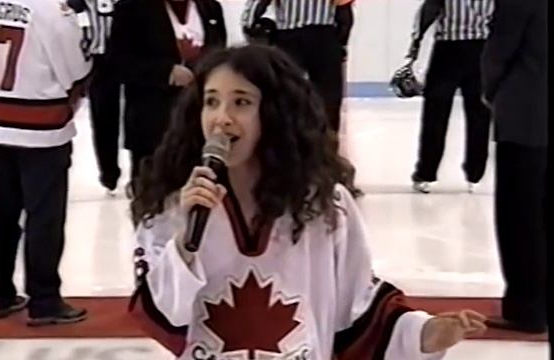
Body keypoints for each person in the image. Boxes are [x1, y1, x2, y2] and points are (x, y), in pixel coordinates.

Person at [126, 45, 487, 359]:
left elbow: (359, 311)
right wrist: (186, 245)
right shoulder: (173, 209)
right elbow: (161, 319)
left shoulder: (326, 206)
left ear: (274, 114)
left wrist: (425, 334)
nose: (222, 117)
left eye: (241, 102)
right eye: (211, 101)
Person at [0, 0, 90, 325]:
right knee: (44, 219)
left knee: (4, 215)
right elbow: (75, 69)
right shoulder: (52, 11)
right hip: (41, 129)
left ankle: (1, 292)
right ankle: (45, 299)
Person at [481, 0, 548, 334]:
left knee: (520, 218)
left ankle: (527, 307)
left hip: (527, 118)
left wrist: (491, 92)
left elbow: (499, 52)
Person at [108, 0, 226, 181]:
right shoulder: (131, 8)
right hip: (152, 124)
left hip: (199, 124)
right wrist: (166, 72)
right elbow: (117, 63)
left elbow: (221, 53)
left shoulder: (210, 7)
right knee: (152, 196)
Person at [406, 0, 493, 194]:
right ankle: (475, 174)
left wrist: (415, 44)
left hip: (448, 49)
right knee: (479, 113)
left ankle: (426, 173)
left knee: (435, 113)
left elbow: (429, 11)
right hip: (482, 50)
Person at [242, 0, 354, 134]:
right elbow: (344, 12)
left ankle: (286, 140)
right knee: (328, 96)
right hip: (323, 35)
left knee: (285, 94)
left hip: (289, 36)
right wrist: (341, 43)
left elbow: (256, 5)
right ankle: (327, 142)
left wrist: (250, 27)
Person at [67, 0, 124, 193]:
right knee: (103, 120)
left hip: (127, 59)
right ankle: (109, 172)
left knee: (137, 117)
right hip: (95, 63)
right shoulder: (75, 4)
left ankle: (141, 173)